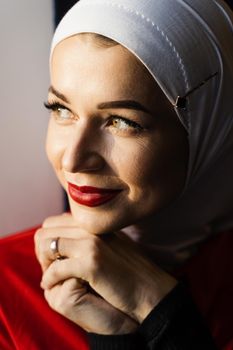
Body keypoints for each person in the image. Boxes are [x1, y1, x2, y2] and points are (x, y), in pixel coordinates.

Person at [1, 0, 233, 348]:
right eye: (62, 109)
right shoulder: (7, 290)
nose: (75, 159)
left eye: (122, 122)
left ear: (207, 128)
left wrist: (158, 310)